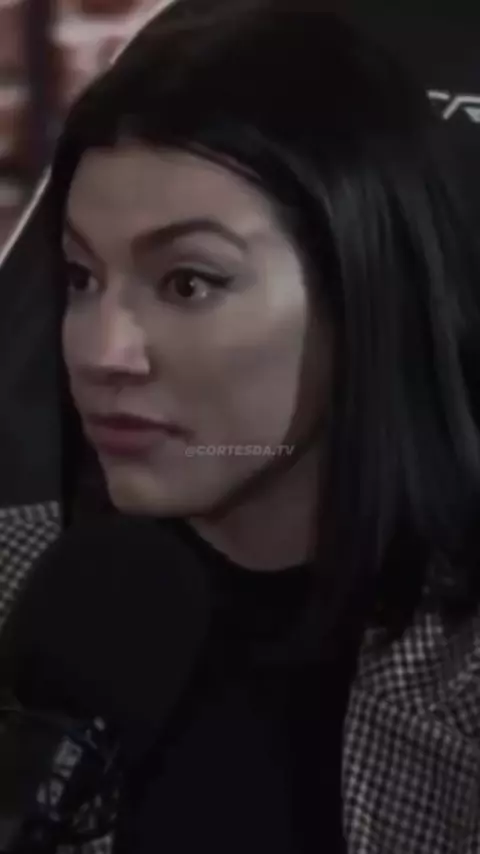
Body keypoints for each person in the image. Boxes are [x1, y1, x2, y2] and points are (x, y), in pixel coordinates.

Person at [13, 0, 480, 851]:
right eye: (82, 277)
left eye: (188, 282)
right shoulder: (23, 581)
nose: (103, 351)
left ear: (363, 293)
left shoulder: (459, 678)